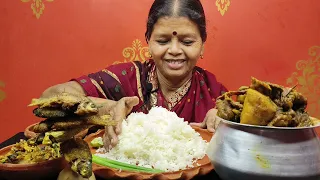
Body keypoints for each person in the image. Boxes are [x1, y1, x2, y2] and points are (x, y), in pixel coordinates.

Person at [40, 0, 227, 151]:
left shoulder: (215, 94)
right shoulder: (127, 78)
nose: (174, 50)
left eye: (187, 42)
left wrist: (223, 122)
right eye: (163, 41)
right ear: (148, 42)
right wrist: (108, 108)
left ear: (202, 44)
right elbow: (48, 97)